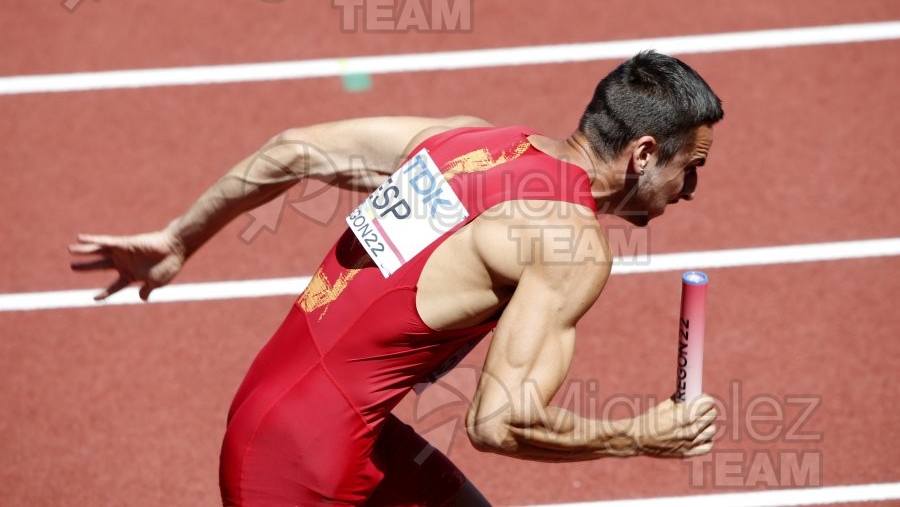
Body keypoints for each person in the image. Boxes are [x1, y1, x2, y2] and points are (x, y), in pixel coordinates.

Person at [69, 50, 723, 506]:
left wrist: (180, 238)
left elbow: (293, 150)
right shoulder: (571, 244)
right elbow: (499, 423)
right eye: (689, 168)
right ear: (642, 154)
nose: (691, 190)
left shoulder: (465, 142)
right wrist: (637, 436)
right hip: (302, 471)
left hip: (295, 419)